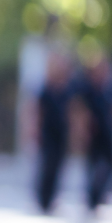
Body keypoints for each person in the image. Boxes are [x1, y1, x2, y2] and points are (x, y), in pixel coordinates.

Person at [77, 55, 112, 211]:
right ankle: (91, 199)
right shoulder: (86, 89)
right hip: (93, 135)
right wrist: (82, 132)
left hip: (107, 135)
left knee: (109, 167)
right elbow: (80, 111)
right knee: (93, 168)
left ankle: (99, 196)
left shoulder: (111, 88)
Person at [34, 52, 72, 212]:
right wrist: (34, 130)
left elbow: (73, 111)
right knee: (46, 166)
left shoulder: (68, 88)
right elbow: (37, 111)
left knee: (58, 167)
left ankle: (52, 200)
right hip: (47, 134)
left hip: (61, 134)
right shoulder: (45, 88)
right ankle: (42, 200)